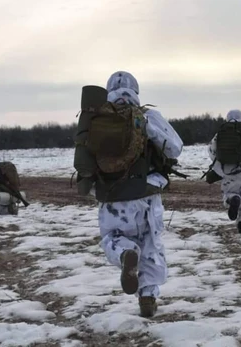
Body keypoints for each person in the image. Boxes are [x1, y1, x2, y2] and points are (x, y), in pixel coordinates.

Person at [95, 71, 183, 317]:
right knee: (151, 245)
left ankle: (125, 253)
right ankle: (148, 297)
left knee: (112, 236)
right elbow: (175, 148)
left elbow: (85, 163)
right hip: (146, 193)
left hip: (111, 197)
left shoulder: (97, 119)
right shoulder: (147, 115)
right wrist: (149, 129)